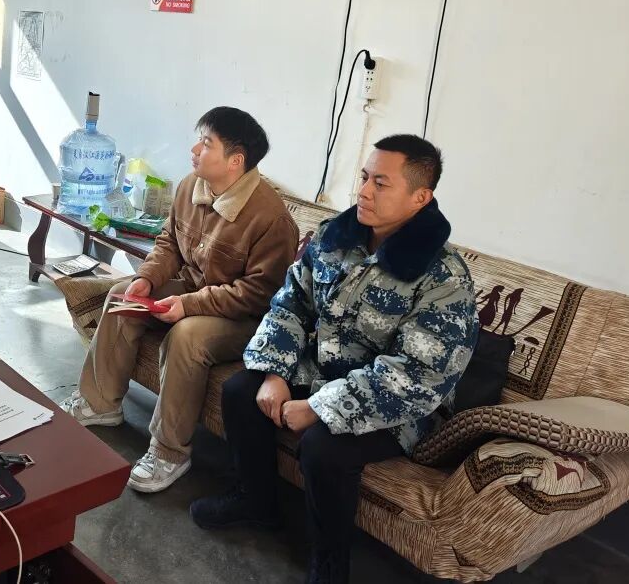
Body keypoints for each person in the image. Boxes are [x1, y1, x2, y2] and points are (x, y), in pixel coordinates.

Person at [190, 134, 477, 584]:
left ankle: (329, 564)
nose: (364, 191)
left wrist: (320, 407)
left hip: (402, 407)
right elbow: (290, 304)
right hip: (320, 369)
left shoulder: (444, 277)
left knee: (325, 448)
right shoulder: (335, 237)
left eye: (381, 183)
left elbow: (417, 377)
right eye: (364, 177)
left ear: (420, 197)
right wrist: (274, 373)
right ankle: (255, 501)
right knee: (241, 391)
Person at [61, 107, 299, 493]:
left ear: (235, 160)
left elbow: (257, 294)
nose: (194, 150)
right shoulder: (192, 185)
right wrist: (147, 278)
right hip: (193, 289)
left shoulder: (271, 220)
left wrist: (189, 306)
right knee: (123, 296)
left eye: (206, 143)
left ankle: (170, 451)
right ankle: (99, 403)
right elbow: (169, 243)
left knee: (187, 336)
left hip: (244, 318)